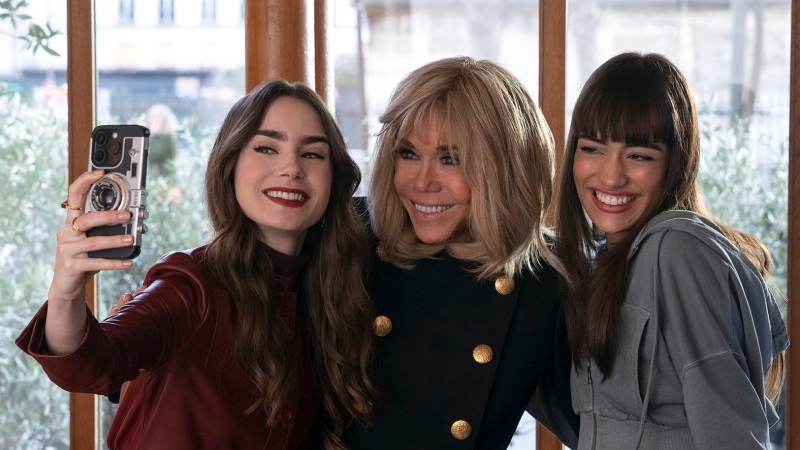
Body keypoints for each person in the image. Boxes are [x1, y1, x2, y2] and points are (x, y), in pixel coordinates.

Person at [16, 79, 378, 450]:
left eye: (313, 154)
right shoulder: (189, 284)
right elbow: (94, 362)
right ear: (230, 165)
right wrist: (66, 290)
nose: (291, 168)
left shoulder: (336, 288)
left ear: (333, 179)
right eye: (267, 148)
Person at [554, 51, 789, 449]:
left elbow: (734, 436)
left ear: (675, 163)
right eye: (592, 148)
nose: (611, 175)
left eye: (640, 156)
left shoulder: (676, 252)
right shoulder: (608, 265)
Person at [345, 56, 578, 449]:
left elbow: (606, 425)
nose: (422, 182)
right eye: (408, 153)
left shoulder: (546, 280)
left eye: (451, 159)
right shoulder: (346, 237)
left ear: (505, 169)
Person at [145, 103, 179, 178]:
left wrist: (153, 136)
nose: (151, 125)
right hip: (156, 178)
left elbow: (153, 155)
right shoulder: (156, 138)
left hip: (166, 179)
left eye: (154, 122)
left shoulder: (168, 138)